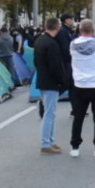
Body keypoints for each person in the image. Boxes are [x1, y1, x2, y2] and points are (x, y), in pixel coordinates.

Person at [69, 19, 95, 158]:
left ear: (80, 30)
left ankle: (75, 147)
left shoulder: (73, 44)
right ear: (93, 30)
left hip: (80, 85)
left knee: (78, 116)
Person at [35, 18, 68, 154]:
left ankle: (50, 141)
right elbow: (55, 66)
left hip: (42, 79)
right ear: (57, 28)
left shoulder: (39, 40)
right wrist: (61, 80)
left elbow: (36, 61)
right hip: (51, 82)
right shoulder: (53, 44)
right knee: (49, 114)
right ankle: (45, 143)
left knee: (50, 113)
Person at [56, 14, 76, 116]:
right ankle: (45, 102)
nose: (72, 20)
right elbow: (65, 48)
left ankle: (75, 109)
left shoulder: (68, 31)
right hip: (66, 62)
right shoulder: (63, 31)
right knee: (66, 84)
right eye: (70, 19)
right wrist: (71, 58)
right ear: (65, 20)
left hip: (68, 62)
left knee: (72, 85)